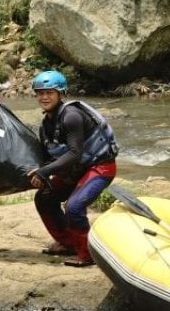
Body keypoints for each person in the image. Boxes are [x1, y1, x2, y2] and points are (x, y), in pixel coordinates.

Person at [28, 70, 118, 267]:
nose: (44, 97)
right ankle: (68, 242)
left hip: (100, 167)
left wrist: (45, 172)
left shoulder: (71, 116)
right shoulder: (46, 124)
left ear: (61, 94)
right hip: (75, 170)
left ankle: (87, 254)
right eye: (40, 93)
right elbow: (48, 156)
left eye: (50, 92)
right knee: (44, 197)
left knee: (74, 207)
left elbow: (74, 153)